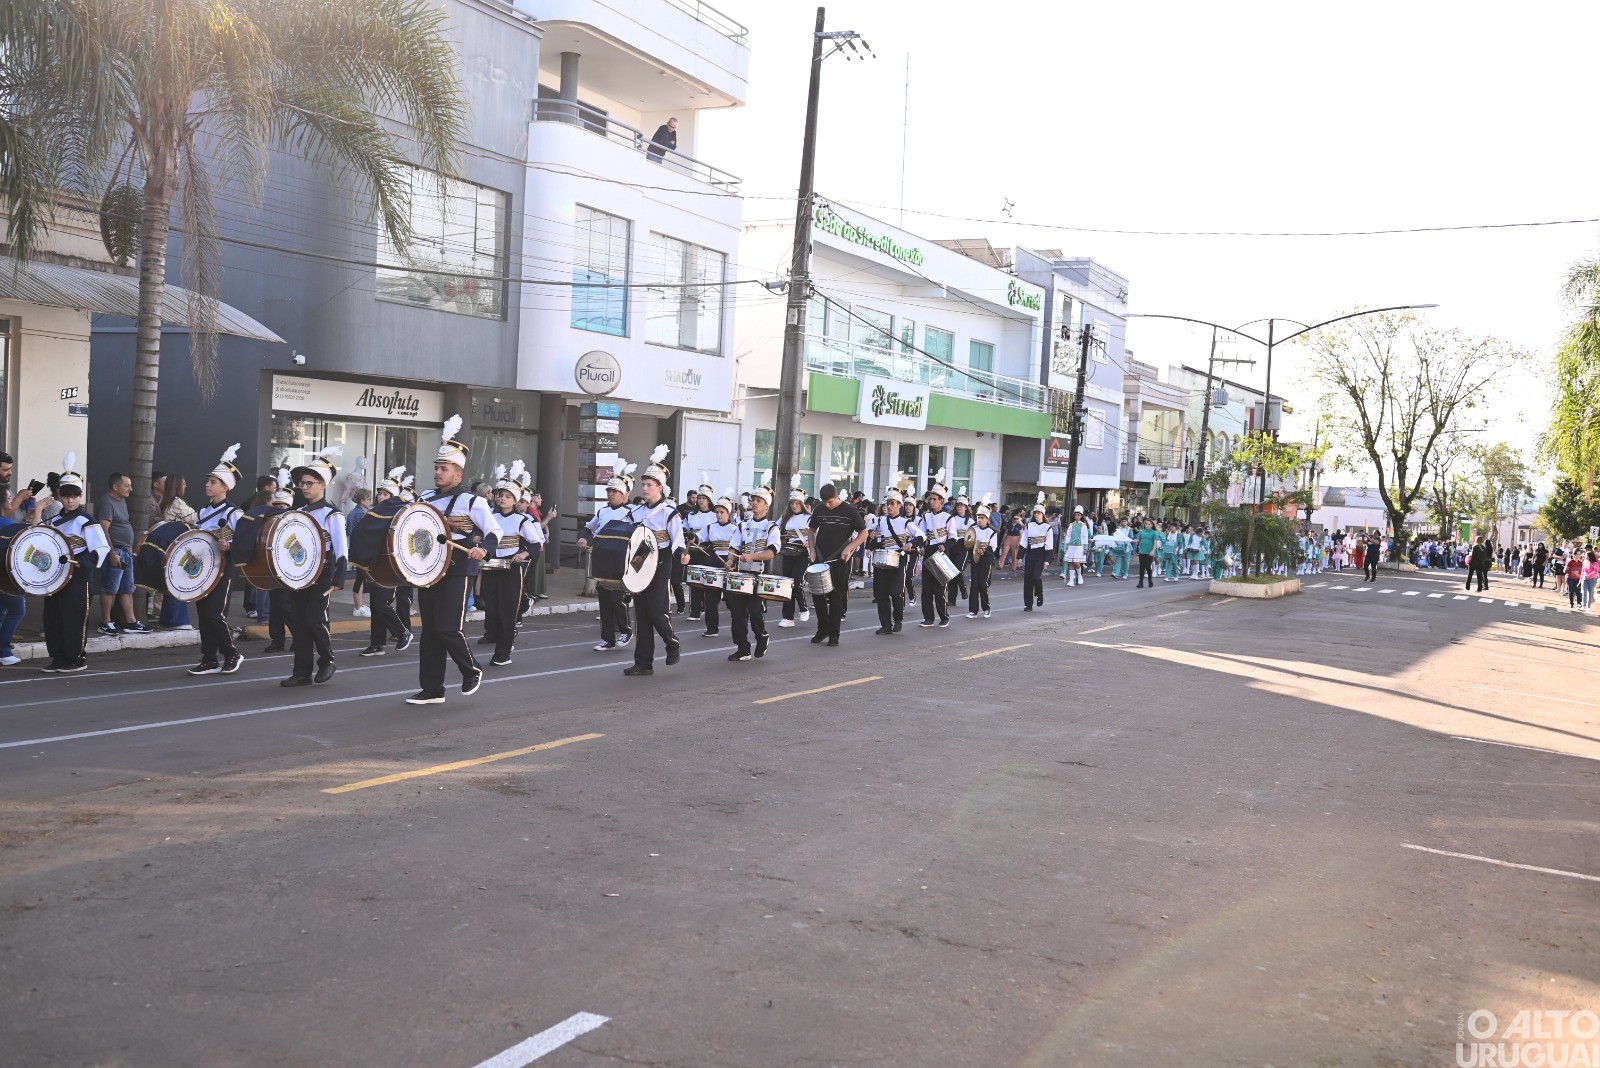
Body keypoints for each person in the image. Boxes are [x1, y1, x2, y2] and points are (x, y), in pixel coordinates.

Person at [407, 416, 495, 704]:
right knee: (430, 632)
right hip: (427, 568)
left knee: (447, 627)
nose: (437, 472)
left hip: (457, 569)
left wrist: (483, 548)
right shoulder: (426, 497)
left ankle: (471, 670)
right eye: (436, 468)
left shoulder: (473, 501)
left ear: (458, 474)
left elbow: (493, 532)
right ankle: (432, 689)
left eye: (443, 468)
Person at [281, 447, 348, 687]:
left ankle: (327, 660)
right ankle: (301, 671)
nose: (305, 487)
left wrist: (338, 577)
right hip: (299, 573)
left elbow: (341, 548)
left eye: (310, 483)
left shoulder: (333, 515)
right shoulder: (297, 512)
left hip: (322, 573)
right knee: (299, 623)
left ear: (323, 485)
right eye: (302, 483)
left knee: (314, 619)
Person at [624, 445, 689, 677]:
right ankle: (644, 662)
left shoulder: (668, 511)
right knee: (641, 614)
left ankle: (672, 643)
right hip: (641, 559)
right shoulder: (638, 511)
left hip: (661, 561)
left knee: (656, 611)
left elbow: (677, 539)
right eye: (644, 484)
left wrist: (682, 553)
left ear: (660, 487)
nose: (645, 488)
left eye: (649, 485)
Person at [42, 455, 110, 672]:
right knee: (53, 617)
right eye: (66, 495)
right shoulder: (52, 520)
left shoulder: (86, 521)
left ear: (80, 497)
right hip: (55, 576)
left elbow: (100, 549)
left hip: (78, 576)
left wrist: (81, 563)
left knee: (74, 618)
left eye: (75, 496)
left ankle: (77, 658)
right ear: (60, 496)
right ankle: (59, 656)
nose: (70, 500)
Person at [185, 444, 245, 676]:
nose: (207, 485)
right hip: (204, 570)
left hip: (223, 569)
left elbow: (244, 544)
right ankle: (209, 659)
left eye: (213, 482)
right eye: (208, 482)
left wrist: (228, 545)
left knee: (214, 615)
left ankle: (232, 653)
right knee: (204, 615)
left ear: (225, 487)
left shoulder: (233, 513)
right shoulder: (202, 512)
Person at [479, 461, 540, 667]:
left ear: (515, 500)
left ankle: (503, 653)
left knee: (507, 609)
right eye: (499, 495)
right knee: (493, 607)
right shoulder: (490, 516)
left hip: (511, 568)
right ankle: (496, 637)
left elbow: (535, 544)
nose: (501, 498)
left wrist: (522, 555)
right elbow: (480, 534)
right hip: (491, 566)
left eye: (506, 496)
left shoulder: (522, 520)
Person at [576, 460, 637, 651]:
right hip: (602, 561)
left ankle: (626, 631)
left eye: (614, 491)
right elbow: (588, 527)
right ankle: (608, 638)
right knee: (604, 601)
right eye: (609, 491)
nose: (610, 494)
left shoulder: (633, 512)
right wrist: (583, 538)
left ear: (626, 493)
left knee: (617, 599)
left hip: (620, 562)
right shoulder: (602, 511)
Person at [356, 467, 416, 657]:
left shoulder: (401, 514)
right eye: (380, 493)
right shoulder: (373, 513)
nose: (382, 497)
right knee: (375, 604)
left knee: (383, 603)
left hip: (392, 567)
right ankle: (376, 644)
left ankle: (402, 632)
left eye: (386, 494)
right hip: (375, 564)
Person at [808, 482, 868, 647]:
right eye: (825, 502)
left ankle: (834, 634)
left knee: (836, 597)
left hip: (840, 561)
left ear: (837, 497)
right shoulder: (819, 509)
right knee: (818, 595)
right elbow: (812, 530)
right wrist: (812, 550)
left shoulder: (849, 510)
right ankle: (823, 629)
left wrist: (850, 547)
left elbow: (864, 533)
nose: (828, 505)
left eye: (830, 502)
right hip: (820, 559)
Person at [725, 477, 778, 661]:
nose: (754, 503)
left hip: (760, 574)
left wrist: (753, 556)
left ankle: (761, 636)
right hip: (741, 573)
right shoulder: (742, 525)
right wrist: (730, 561)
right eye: (753, 500)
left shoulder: (772, 527)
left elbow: (771, 552)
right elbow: (734, 548)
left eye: (759, 501)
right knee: (737, 612)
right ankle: (742, 648)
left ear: (766, 506)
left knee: (755, 610)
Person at [143, 474, 199, 630]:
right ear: (177, 486)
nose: (186, 486)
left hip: (167, 547)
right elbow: (196, 518)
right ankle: (178, 620)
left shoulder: (165, 501)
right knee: (179, 583)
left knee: (169, 584)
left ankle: (167, 619)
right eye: (183, 483)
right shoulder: (177, 502)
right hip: (177, 548)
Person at [94, 472, 146, 636]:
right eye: (127, 485)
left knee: (127, 589)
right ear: (115, 486)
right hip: (116, 551)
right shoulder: (106, 503)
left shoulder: (121, 501)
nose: (130, 488)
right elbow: (103, 530)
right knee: (110, 588)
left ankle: (131, 622)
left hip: (126, 552)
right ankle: (106, 622)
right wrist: (112, 553)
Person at [869, 484, 918, 635]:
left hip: (899, 559)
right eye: (887, 504)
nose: (888, 507)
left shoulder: (905, 522)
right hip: (882, 560)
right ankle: (885, 624)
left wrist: (910, 543)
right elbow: (872, 540)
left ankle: (898, 618)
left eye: (892, 504)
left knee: (896, 592)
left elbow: (921, 536)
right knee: (881, 594)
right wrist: (871, 537)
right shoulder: (879, 521)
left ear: (899, 505)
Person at [699, 490, 741, 637]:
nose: (718, 514)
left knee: (731, 600)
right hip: (713, 562)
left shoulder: (735, 528)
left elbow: (737, 548)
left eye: (721, 512)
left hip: (730, 564)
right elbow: (699, 538)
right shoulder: (711, 527)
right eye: (716, 512)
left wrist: (732, 562)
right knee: (710, 598)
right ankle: (712, 629)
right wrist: (691, 538)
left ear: (728, 513)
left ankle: (738, 627)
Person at [918, 469, 952, 628]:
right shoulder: (925, 516)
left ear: (941, 501)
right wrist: (922, 547)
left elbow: (953, 538)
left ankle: (944, 616)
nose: (931, 502)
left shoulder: (948, 517)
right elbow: (923, 534)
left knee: (939, 589)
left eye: (934, 499)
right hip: (929, 551)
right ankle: (928, 618)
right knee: (926, 589)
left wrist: (945, 546)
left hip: (941, 552)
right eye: (930, 499)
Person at [775, 476, 812, 627]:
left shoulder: (809, 518)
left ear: (802, 504)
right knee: (786, 585)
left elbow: (817, 534)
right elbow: (774, 529)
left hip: (802, 554)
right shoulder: (785, 518)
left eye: (797, 503)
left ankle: (803, 608)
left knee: (797, 582)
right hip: (788, 553)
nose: (794, 506)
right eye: (792, 503)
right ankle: (788, 617)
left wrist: (809, 542)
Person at [0, 488, 27, 664]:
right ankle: (4, 651)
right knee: (18, 610)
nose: (12, 500)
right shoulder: (4, 523)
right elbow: (30, 536)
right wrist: (38, 510)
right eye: (9, 497)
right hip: (5, 576)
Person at [966, 493, 997, 619]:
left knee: (982, 584)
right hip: (974, 558)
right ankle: (973, 610)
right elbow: (968, 543)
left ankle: (986, 608)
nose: (980, 520)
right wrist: (973, 549)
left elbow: (993, 547)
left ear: (987, 519)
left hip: (986, 559)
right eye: (978, 517)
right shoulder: (972, 528)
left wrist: (983, 551)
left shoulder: (992, 531)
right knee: (974, 585)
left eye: (982, 518)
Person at [1021, 494, 1054, 610]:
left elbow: (1049, 545)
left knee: (1036, 577)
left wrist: (1047, 560)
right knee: (1028, 580)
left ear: (1043, 514)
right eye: (1035, 513)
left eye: (1039, 513)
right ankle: (1028, 604)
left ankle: (1039, 594)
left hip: (1041, 555)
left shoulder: (1047, 527)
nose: (1036, 515)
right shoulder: (1029, 526)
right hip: (1030, 554)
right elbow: (1024, 542)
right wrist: (1020, 558)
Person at [944, 491, 972, 606]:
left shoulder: (970, 521)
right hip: (953, 545)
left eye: (962, 505)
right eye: (958, 505)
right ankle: (952, 599)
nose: (959, 507)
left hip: (964, 546)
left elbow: (973, 536)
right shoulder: (952, 518)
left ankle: (963, 588)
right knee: (951, 572)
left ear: (966, 507)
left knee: (958, 569)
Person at [346, 489, 371, 618]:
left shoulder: (356, 512)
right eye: (368, 499)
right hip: (359, 550)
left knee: (361, 578)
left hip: (356, 549)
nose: (370, 501)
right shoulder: (360, 514)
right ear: (362, 500)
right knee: (360, 578)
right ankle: (358, 607)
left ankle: (359, 605)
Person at [1062, 505, 1091, 587]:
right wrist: (1066, 546)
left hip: (1079, 546)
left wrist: (1085, 548)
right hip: (1071, 546)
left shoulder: (1083, 525)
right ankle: (1071, 580)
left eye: (1078, 515)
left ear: (1081, 516)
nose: (1077, 516)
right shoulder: (1071, 525)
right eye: (1075, 515)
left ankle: (1079, 575)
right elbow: (1068, 536)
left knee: (1076, 562)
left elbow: (1085, 537)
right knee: (1071, 563)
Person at [1135, 517, 1158, 588]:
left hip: (1149, 552)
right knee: (1142, 567)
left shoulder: (1154, 533)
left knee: (1148, 566)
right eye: (1146, 524)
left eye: (1149, 524)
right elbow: (1139, 540)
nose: (1147, 525)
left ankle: (1150, 580)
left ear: (1152, 525)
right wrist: (1136, 540)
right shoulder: (1141, 532)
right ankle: (1140, 582)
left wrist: (1153, 551)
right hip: (1142, 551)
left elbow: (1155, 543)